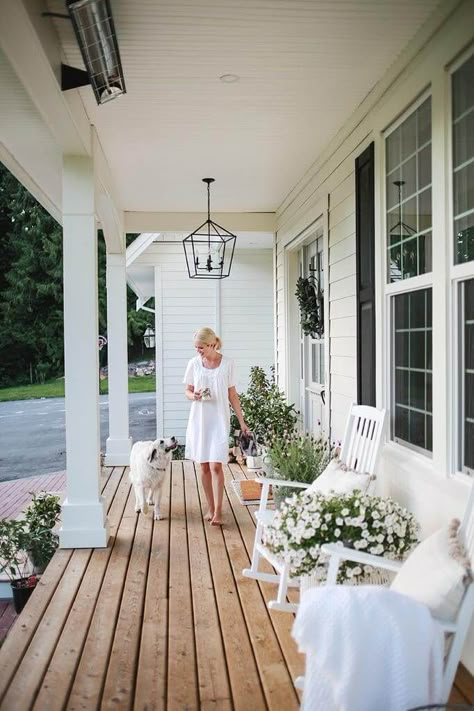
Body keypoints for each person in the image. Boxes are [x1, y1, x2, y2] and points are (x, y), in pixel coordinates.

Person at [183, 327, 248, 526]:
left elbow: (233, 395)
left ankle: (219, 511)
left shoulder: (228, 363)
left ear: (211, 344)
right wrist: (193, 396)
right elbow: (187, 390)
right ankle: (210, 507)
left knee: (216, 466)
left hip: (219, 420)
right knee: (203, 465)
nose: (198, 351)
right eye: (196, 347)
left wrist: (243, 422)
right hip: (200, 420)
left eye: (200, 347)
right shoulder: (194, 364)